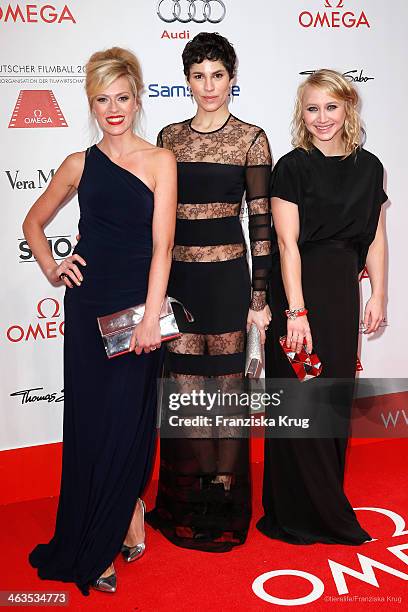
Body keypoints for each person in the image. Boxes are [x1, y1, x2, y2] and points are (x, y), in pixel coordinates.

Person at [24, 47, 177, 594]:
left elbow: (163, 249)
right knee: (93, 426)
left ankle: (128, 514)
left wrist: (152, 317)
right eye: (101, 99)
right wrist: (51, 264)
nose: (113, 109)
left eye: (122, 97)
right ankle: (94, 540)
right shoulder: (78, 163)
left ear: (137, 98)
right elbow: (33, 221)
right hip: (89, 308)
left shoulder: (161, 161)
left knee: (131, 422)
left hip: (140, 310)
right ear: (91, 103)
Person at [146, 32, 272, 552]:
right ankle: (192, 499)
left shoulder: (251, 138)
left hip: (227, 282)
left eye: (218, 75)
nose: (209, 86)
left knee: (226, 392)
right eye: (198, 76)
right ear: (187, 80)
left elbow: (261, 224)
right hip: (177, 282)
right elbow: (156, 218)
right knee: (188, 390)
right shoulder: (169, 137)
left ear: (232, 77)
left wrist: (259, 298)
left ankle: (224, 498)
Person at [257, 69, 387, 545]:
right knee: (301, 397)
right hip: (301, 293)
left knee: (331, 398)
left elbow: (375, 236)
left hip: (341, 297)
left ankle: (323, 494)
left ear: (348, 108)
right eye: (312, 108)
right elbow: (286, 245)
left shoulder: (370, 167)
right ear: (301, 113)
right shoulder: (291, 167)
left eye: (331, 107)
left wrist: (380, 294)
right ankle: (303, 511)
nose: (322, 118)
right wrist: (296, 312)